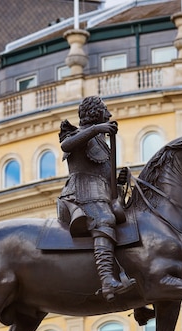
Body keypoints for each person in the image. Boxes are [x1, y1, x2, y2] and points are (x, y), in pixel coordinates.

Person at [57, 96, 135, 301]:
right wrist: (95, 129)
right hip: (81, 193)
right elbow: (66, 146)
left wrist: (119, 181)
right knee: (104, 220)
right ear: (94, 113)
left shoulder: (101, 143)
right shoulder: (76, 133)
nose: (108, 115)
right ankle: (107, 279)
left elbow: (106, 181)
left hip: (100, 194)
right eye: (105, 111)